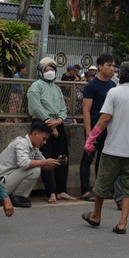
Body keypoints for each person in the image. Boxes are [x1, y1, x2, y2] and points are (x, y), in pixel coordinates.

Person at [81, 62, 129, 234]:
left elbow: (105, 118)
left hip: (113, 148)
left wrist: (91, 139)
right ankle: (122, 223)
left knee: (102, 184)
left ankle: (96, 215)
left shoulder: (113, 92)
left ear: (120, 74)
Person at [27, 56, 74, 203]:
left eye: (52, 69)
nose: (50, 72)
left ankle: (62, 190)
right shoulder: (35, 87)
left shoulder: (57, 89)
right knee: (45, 158)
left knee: (62, 156)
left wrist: (59, 120)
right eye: (46, 69)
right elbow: (36, 107)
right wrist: (49, 122)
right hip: (41, 123)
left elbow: (62, 107)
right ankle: (50, 192)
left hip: (57, 123)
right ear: (40, 72)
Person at [0, 120, 60, 208]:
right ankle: (16, 197)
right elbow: (24, 163)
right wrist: (45, 162)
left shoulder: (34, 146)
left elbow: (44, 166)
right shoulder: (22, 142)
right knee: (35, 169)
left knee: (36, 168)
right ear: (35, 134)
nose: (45, 142)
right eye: (44, 138)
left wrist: (56, 162)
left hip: (7, 181)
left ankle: (15, 197)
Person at [79, 54, 116, 200]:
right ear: (100, 66)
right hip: (94, 127)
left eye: (113, 65)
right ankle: (85, 190)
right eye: (109, 65)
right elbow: (86, 109)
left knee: (103, 160)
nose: (112, 68)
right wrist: (88, 131)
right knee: (87, 158)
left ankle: (100, 189)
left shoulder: (113, 86)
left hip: (109, 128)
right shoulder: (91, 86)